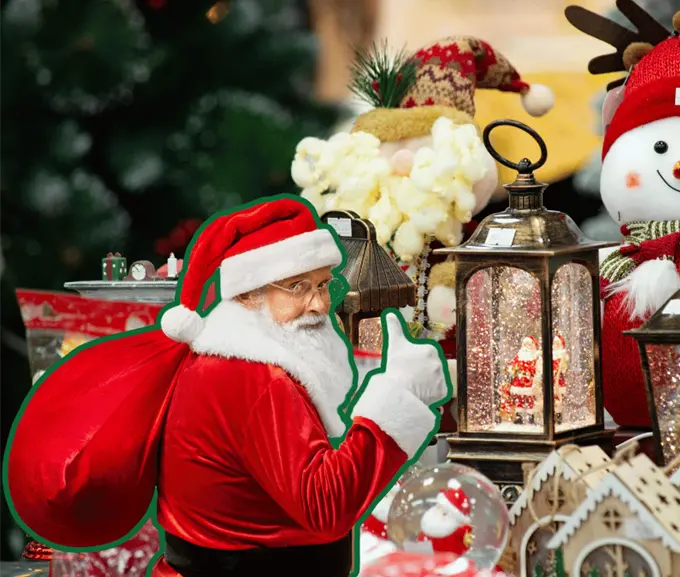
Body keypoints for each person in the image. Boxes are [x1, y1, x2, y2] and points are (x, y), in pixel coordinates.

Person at [5, 197, 448, 577]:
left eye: (321, 285)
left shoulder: (228, 362)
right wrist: (398, 393)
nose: (318, 304)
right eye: (297, 287)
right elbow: (325, 507)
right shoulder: (256, 378)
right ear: (248, 295)